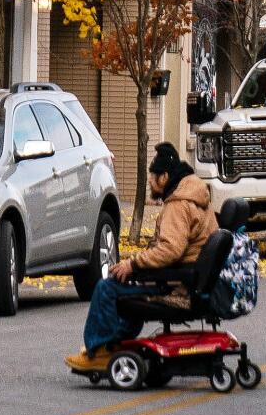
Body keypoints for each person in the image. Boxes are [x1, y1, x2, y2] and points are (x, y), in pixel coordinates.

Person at [66, 142, 219, 370]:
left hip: (176, 287)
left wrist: (134, 264)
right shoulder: (196, 198)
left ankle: (98, 351)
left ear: (164, 176)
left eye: (152, 176)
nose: (149, 181)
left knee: (107, 288)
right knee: (127, 282)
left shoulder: (178, 206)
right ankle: (115, 343)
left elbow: (170, 249)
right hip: (188, 281)